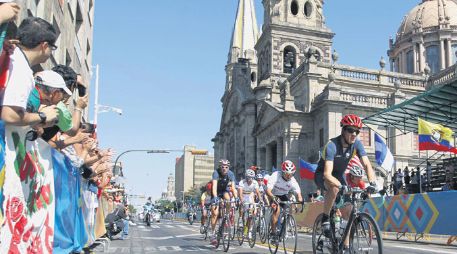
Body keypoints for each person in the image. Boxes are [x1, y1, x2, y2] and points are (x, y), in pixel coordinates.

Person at [314, 114, 377, 252]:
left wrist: (372, 182)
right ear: (343, 130)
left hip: (339, 176)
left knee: (348, 211)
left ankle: (346, 246)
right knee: (335, 188)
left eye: (357, 131)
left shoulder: (357, 145)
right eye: (350, 130)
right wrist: (341, 186)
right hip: (323, 175)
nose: (354, 134)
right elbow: (327, 174)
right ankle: (325, 217)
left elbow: (366, 164)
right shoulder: (332, 145)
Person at [1, 17, 59, 127]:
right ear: (45, 46)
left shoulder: (10, 54)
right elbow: (10, 115)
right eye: (53, 47)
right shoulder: (22, 68)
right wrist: (43, 116)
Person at [266, 160, 303, 245]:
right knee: (277, 209)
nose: (289, 176)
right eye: (287, 174)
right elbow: (268, 190)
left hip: (283, 195)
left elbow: (298, 191)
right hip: (273, 194)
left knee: (289, 209)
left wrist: (300, 198)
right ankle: (273, 233)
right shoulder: (275, 175)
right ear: (283, 172)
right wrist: (273, 197)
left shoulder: (292, 180)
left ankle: (284, 227)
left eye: (291, 174)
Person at [209, 159, 238, 246]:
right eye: (223, 167)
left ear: (228, 168)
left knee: (228, 199)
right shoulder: (216, 173)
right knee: (215, 213)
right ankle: (213, 234)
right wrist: (215, 197)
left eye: (226, 167)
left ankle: (227, 215)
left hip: (224, 191)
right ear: (220, 167)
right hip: (216, 192)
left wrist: (236, 198)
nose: (224, 169)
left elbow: (233, 188)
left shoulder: (231, 174)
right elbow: (214, 186)